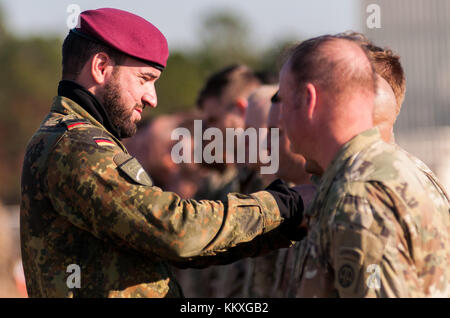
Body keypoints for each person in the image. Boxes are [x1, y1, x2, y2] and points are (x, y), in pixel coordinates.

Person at [20, 8, 306, 298]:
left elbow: (173, 245)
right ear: (101, 67)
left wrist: (283, 227)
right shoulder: (77, 147)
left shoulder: (76, 140)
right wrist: (281, 206)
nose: (152, 98)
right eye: (144, 79)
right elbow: (173, 229)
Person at [278, 35, 450, 297]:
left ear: (308, 100)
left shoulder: (358, 194)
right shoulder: (388, 169)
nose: (280, 118)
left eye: (284, 101)